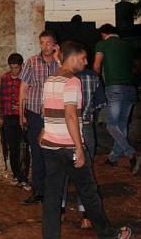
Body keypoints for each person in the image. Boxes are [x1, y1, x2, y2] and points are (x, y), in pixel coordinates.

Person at [40, 40, 132, 239]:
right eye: (83, 58)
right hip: (69, 146)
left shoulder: (50, 79)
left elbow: (44, 110)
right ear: (72, 57)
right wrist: (79, 148)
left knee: (52, 196)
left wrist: (44, 132)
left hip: (50, 146)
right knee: (89, 193)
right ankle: (108, 234)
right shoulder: (73, 81)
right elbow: (71, 115)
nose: (86, 61)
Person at [60, 62, 106, 229]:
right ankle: (85, 215)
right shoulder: (93, 76)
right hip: (85, 125)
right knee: (85, 172)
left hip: (64, 127)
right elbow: (100, 103)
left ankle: (61, 210)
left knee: (63, 170)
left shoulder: (62, 77)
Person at [19, 30, 60, 204]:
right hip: (35, 113)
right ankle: (38, 191)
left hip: (55, 115)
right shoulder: (31, 62)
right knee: (37, 152)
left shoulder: (61, 64)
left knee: (54, 153)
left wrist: (59, 59)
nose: (45, 46)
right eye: (42, 42)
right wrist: (21, 114)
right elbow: (23, 89)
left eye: (48, 43)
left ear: (55, 44)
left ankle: (54, 191)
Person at [93, 24, 139, 175]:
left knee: (111, 125)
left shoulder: (103, 44)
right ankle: (113, 157)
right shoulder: (128, 45)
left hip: (114, 88)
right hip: (131, 88)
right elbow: (135, 67)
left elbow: (97, 66)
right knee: (122, 125)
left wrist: (96, 84)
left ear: (104, 34)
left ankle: (131, 153)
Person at [0, 53, 28, 187]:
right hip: (8, 117)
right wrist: (1, 117)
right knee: (12, 148)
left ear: (21, 66)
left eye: (16, 67)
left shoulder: (25, 79)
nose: (13, 70)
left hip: (21, 117)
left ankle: (24, 177)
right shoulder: (4, 78)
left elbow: (29, 98)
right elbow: (2, 98)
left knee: (23, 148)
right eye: (11, 68)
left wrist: (22, 106)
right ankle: (16, 175)